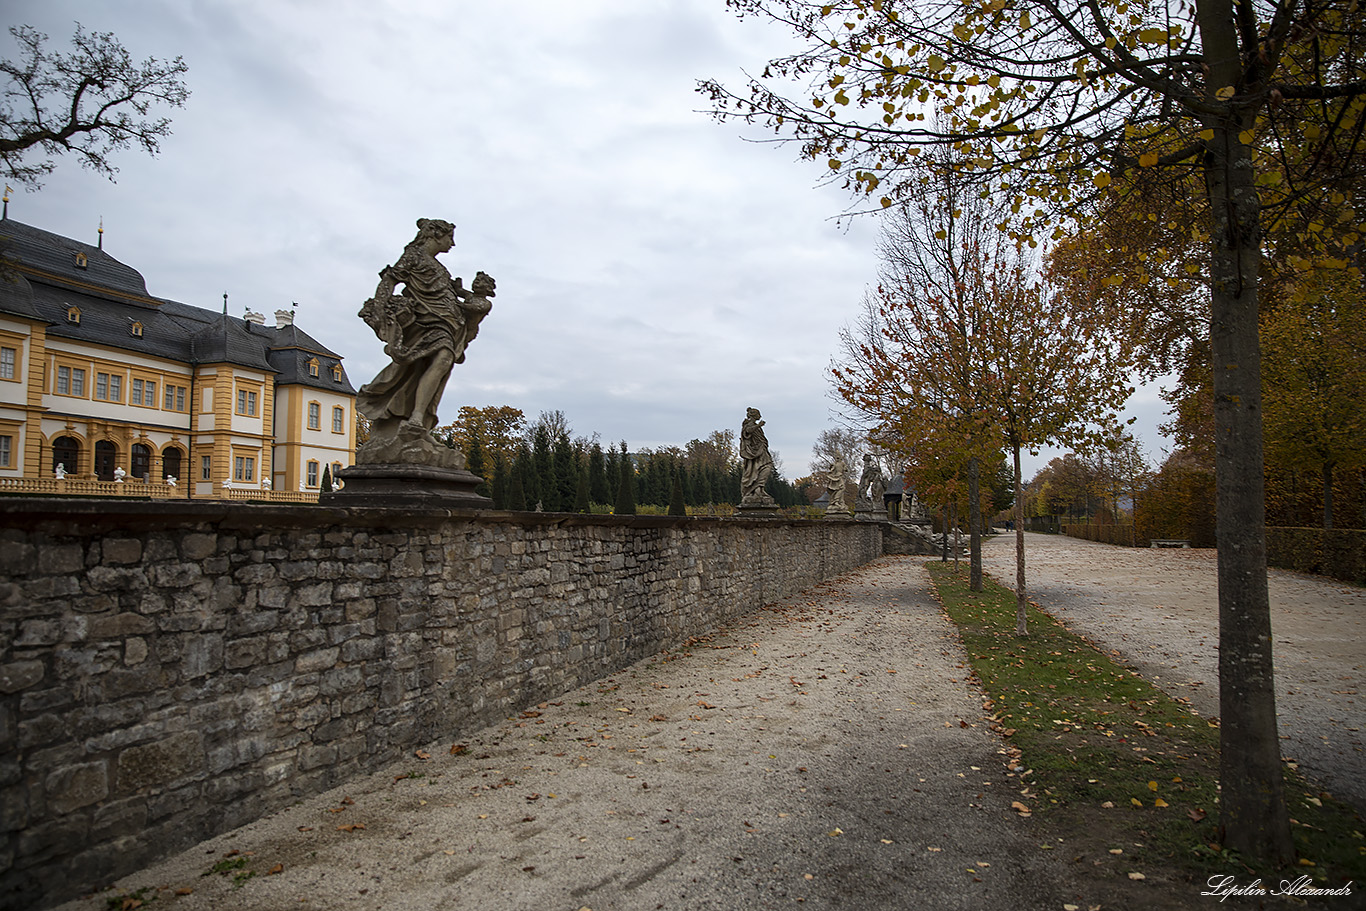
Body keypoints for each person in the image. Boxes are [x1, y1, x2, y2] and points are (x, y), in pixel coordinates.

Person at [356, 218, 495, 436]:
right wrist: (380, 311)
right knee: (442, 358)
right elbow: (389, 281)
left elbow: (463, 300)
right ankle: (417, 417)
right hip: (427, 322)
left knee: (435, 364)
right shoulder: (414, 256)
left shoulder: (440, 267)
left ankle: (418, 418)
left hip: (449, 324)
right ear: (435, 235)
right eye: (450, 237)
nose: (452, 243)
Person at [739, 407, 775, 505]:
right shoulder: (749, 424)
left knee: (766, 467)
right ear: (754, 415)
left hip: (761, 450)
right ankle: (756, 490)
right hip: (754, 452)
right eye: (759, 414)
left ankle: (759, 488)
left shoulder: (755, 425)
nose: (760, 416)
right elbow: (748, 431)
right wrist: (759, 425)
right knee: (758, 469)